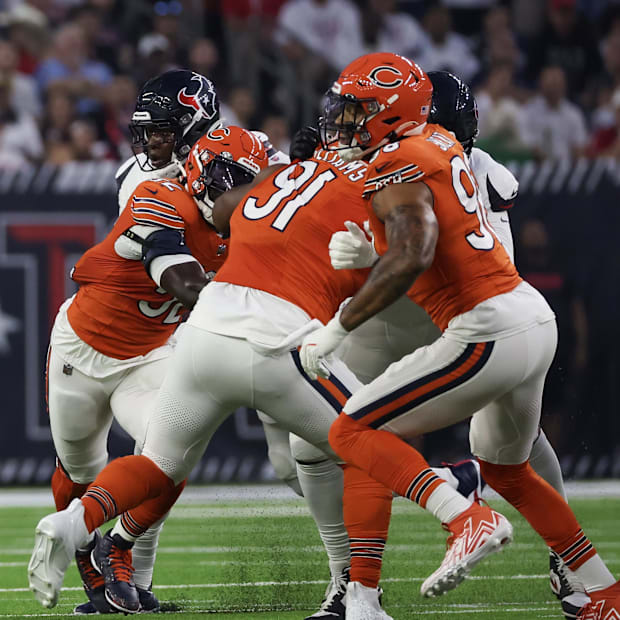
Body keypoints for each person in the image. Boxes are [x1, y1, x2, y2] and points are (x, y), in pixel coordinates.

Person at [26, 120, 506, 620]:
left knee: (163, 462)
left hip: (201, 336)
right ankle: (448, 521)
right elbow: (185, 263)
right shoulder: (187, 193)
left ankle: (77, 523)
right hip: (251, 335)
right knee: (363, 436)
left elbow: (251, 203)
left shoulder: (261, 191)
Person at [299, 52, 620, 618]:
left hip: (483, 328)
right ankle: (602, 593)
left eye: (356, 112)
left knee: (351, 430)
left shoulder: (397, 161)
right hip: (530, 317)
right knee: (510, 467)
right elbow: (435, 236)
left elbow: (417, 248)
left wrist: (339, 326)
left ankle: (464, 508)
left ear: (391, 114)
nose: (343, 124)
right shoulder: (446, 148)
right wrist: (375, 250)